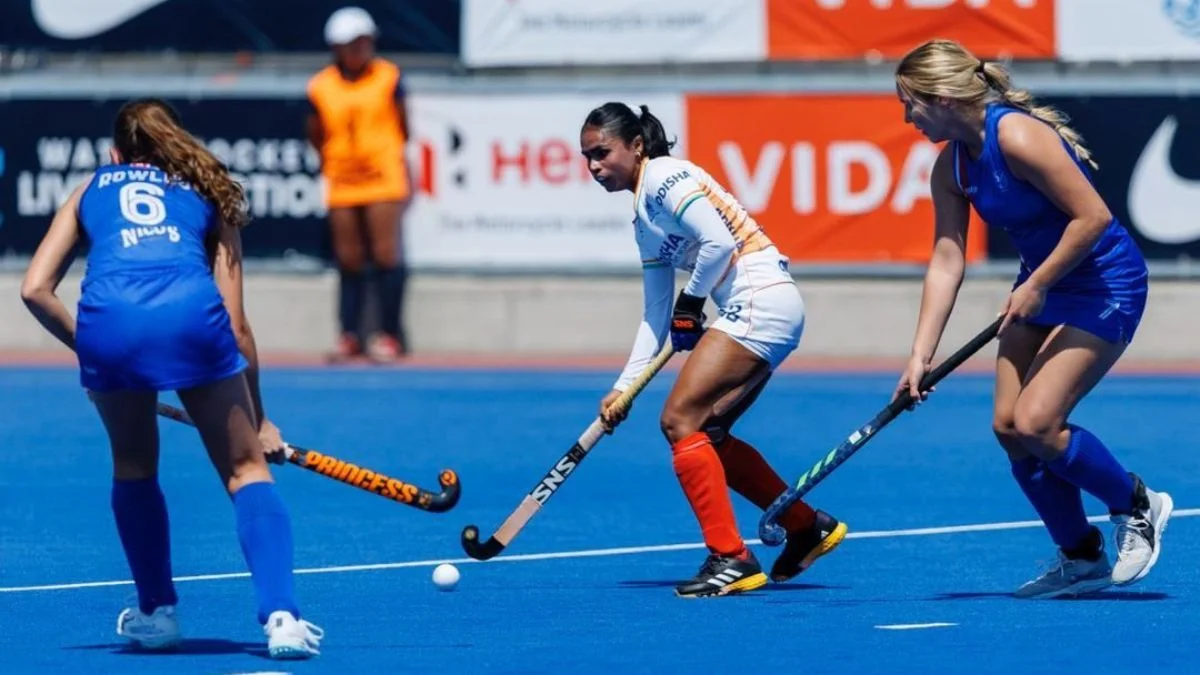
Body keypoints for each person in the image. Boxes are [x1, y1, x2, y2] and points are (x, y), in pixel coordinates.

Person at [20, 98, 324, 658]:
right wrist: (258, 418)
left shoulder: (91, 188)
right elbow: (235, 325)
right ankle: (282, 619)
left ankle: (157, 613)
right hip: (193, 320)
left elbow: (35, 289)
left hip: (109, 323)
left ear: (115, 154)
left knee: (134, 466)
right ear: (176, 143)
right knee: (243, 468)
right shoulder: (208, 188)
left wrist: (92, 349)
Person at [893, 39, 1172, 598]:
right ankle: (1081, 555)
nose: (906, 117)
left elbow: (1092, 216)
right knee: (1008, 428)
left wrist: (1038, 284)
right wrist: (920, 354)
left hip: (1102, 283)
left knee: (1037, 422)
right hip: (1042, 286)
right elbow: (947, 259)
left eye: (911, 104)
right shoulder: (950, 166)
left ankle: (1137, 504)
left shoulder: (1017, 135)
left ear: (944, 98)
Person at [580, 102, 848, 598]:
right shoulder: (642, 220)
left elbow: (719, 244)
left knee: (678, 421)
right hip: (758, 309)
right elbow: (655, 314)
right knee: (709, 432)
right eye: (587, 157)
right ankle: (805, 526)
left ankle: (731, 557)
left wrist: (693, 302)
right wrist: (623, 388)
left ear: (636, 146)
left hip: (758, 302)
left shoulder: (665, 178)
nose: (594, 166)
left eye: (602, 153)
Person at [306, 6, 412, 363]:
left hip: (382, 176)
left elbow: (403, 124)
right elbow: (316, 132)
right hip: (342, 178)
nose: (359, 50)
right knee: (348, 259)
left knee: (385, 254)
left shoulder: (388, 77)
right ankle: (349, 334)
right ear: (336, 47)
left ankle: (389, 334)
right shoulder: (321, 85)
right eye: (351, 44)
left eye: (364, 42)